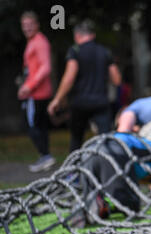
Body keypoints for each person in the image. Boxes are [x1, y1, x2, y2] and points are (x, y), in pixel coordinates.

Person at [75, 117, 151, 228]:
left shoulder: (120, 138)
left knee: (91, 191)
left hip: (89, 150)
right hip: (114, 151)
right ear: (137, 129)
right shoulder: (149, 145)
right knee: (131, 205)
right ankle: (101, 206)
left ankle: (90, 207)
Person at [48, 20, 121, 153]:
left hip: (79, 102)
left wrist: (57, 99)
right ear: (92, 35)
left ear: (77, 36)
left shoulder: (75, 50)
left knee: (76, 138)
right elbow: (116, 79)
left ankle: (73, 171)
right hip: (101, 102)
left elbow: (69, 78)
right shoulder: (104, 51)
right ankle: (109, 168)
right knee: (106, 139)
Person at [19, 11, 55, 173]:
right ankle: (45, 157)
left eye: (30, 25)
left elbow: (45, 67)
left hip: (36, 92)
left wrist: (29, 86)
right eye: (24, 25)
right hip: (36, 91)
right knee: (39, 125)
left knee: (32, 125)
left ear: (37, 25)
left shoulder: (39, 42)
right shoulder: (33, 42)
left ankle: (45, 155)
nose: (27, 28)